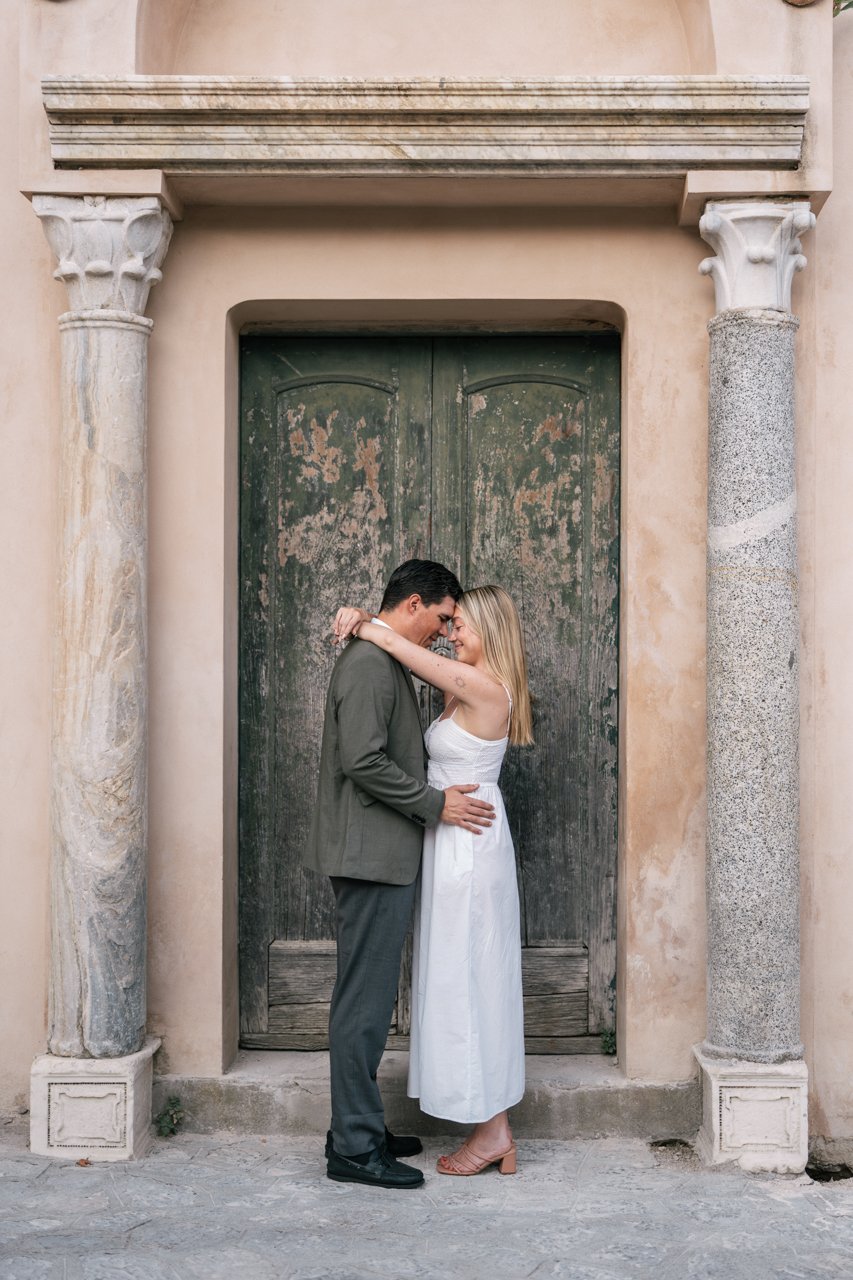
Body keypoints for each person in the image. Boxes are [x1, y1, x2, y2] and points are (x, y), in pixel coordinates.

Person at [305, 559, 496, 1190]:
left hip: (381, 854)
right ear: (413, 604)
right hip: (370, 856)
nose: (444, 632)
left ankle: (359, 1126)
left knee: (368, 999)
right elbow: (363, 761)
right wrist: (436, 805)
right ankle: (355, 1149)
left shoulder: (385, 656)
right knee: (362, 1004)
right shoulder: (368, 664)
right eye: (441, 617)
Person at [334, 584, 533, 1178]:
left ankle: (494, 1132)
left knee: (475, 979)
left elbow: (408, 652)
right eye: (450, 623)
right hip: (449, 843)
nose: (451, 634)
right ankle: (488, 1126)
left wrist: (365, 623)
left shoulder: (483, 687)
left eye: (461, 625)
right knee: (457, 976)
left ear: (490, 631)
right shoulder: (461, 687)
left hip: (469, 847)